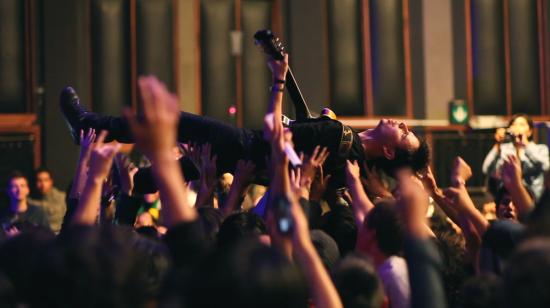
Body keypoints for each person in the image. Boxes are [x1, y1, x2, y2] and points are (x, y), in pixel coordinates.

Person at [59, 55, 429, 189]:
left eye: (405, 134)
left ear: (389, 152)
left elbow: (276, 131)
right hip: (249, 168)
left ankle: (86, 124)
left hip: (244, 145)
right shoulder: (352, 170)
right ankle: (134, 186)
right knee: (177, 170)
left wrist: (279, 80)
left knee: (169, 120)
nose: (403, 125)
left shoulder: (337, 135)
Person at [482, 114, 549, 201]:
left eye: (522, 124)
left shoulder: (540, 149)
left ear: (530, 131)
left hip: (533, 199)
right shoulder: (504, 149)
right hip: (508, 199)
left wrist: (525, 144)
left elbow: (545, 166)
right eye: (514, 124)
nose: (517, 127)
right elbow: (486, 169)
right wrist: (497, 144)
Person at [28, 168, 67, 233]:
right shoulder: (30, 201)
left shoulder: (62, 198)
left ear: (51, 181)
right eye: (39, 181)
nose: (43, 184)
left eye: (46, 180)